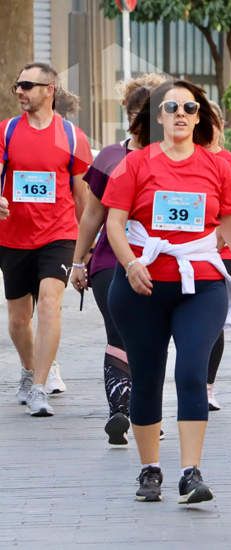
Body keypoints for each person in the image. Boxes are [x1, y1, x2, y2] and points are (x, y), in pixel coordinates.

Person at [102, 79, 231, 504]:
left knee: (192, 371)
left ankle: (191, 472)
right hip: (142, 285)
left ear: (199, 117)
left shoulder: (215, 167)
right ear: (158, 116)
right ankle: (149, 469)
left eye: (189, 108)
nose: (180, 114)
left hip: (201, 284)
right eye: (171, 107)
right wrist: (131, 264)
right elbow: (114, 224)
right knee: (148, 375)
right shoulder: (135, 164)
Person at [70, 73, 168, 442]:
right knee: (120, 332)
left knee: (151, 340)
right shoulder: (111, 157)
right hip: (111, 263)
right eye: (137, 112)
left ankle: (142, 413)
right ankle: (120, 410)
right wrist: (79, 262)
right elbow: (92, 214)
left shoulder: (173, 158)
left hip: (162, 263)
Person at [0, 62, 93, 416]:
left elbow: (83, 198)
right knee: (18, 319)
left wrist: (86, 248)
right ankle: (28, 370)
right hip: (13, 235)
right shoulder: (6, 132)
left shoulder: (72, 137)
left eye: (27, 85)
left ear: (49, 89)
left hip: (58, 234)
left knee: (51, 305)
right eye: (17, 85)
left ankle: (39, 386)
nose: (20, 91)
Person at [205, 100, 231, 411]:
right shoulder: (188, 160)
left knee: (213, 319)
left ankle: (207, 386)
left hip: (226, 251)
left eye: (211, 122)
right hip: (192, 248)